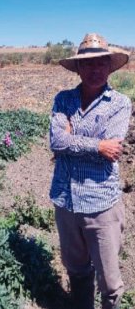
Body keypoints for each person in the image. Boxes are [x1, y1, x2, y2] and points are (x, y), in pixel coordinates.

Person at [50, 33, 131, 309]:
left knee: (110, 284)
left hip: (101, 207)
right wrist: (97, 145)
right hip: (66, 202)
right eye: (88, 64)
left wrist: (74, 139)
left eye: (101, 63)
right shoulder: (63, 99)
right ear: (78, 68)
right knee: (77, 271)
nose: (94, 70)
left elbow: (113, 151)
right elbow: (57, 142)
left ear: (109, 67)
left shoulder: (120, 103)